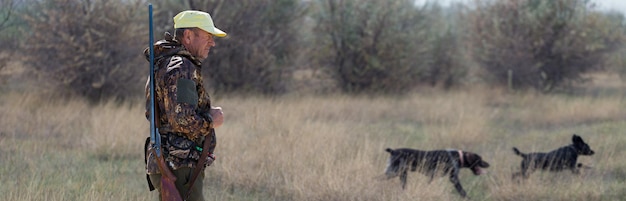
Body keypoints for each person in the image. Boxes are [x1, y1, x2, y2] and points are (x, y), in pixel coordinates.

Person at [143, 10, 226, 201]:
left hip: (170, 164)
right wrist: (211, 120)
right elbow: (182, 120)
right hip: (180, 166)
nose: (212, 42)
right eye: (207, 36)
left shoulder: (164, 63)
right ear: (188, 35)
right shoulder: (182, 67)